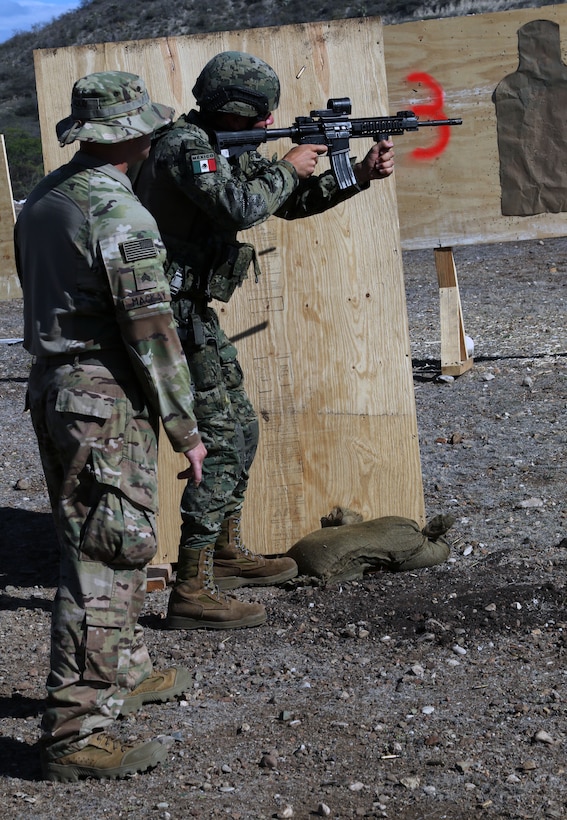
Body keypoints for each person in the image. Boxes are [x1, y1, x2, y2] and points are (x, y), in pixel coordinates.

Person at [133, 51, 395, 631]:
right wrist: (291, 164)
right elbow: (242, 206)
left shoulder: (224, 145)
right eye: (257, 117)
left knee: (241, 428)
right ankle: (192, 589)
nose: (264, 125)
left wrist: (356, 176)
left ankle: (223, 555)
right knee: (219, 444)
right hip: (166, 317)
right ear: (233, 111)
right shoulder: (186, 147)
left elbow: (287, 203)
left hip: (191, 312)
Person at [14, 71, 207, 782]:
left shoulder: (44, 198)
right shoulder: (121, 217)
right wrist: (186, 428)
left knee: (94, 536)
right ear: (132, 137)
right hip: (100, 397)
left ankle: (123, 666)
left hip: (60, 390)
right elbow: (151, 332)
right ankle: (76, 731)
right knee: (106, 553)